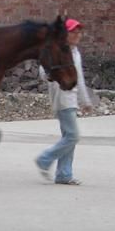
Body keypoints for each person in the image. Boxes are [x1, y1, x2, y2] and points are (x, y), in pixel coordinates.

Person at [35, 18, 92, 185]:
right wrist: (49, 76)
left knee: (68, 137)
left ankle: (64, 174)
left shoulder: (75, 53)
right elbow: (43, 70)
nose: (77, 35)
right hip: (62, 98)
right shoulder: (58, 50)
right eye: (73, 32)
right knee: (73, 136)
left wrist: (85, 100)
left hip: (72, 98)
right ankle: (44, 160)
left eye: (79, 32)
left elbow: (79, 79)